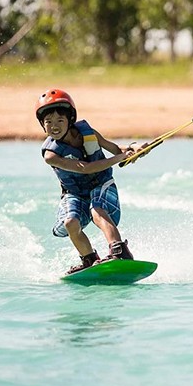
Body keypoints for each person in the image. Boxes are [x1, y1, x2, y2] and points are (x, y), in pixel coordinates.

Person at [35, 89, 148, 274]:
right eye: (48, 122)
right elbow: (85, 168)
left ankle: (119, 250)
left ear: (70, 120)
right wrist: (120, 158)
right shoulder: (50, 155)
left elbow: (114, 148)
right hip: (75, 193)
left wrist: (133, 148)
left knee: (97, 210)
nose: (54, 126)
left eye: (59, 121)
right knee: (70, 223)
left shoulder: (87, 132)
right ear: (42, 124)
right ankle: (89, 259)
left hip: (101, 183)